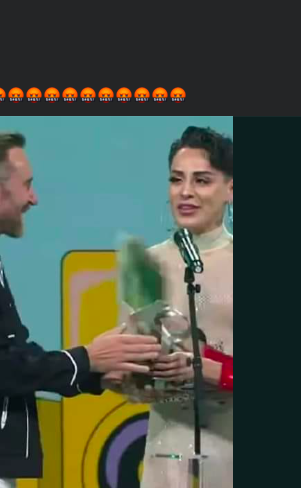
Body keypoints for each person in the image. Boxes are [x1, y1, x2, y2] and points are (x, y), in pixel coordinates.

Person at [0, 132, 162, 486]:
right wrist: (88, 358)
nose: (34, 198)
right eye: (27, 186)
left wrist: (98, 372)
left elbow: (16, 356)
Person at [108, 126, 234, 487]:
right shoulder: (147, 264)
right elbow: (132, 381)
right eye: (176, 179)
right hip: (165, 463)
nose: (185, 191)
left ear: (230, 188)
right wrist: (127, 375)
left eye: (202, 180)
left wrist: (202, 368)